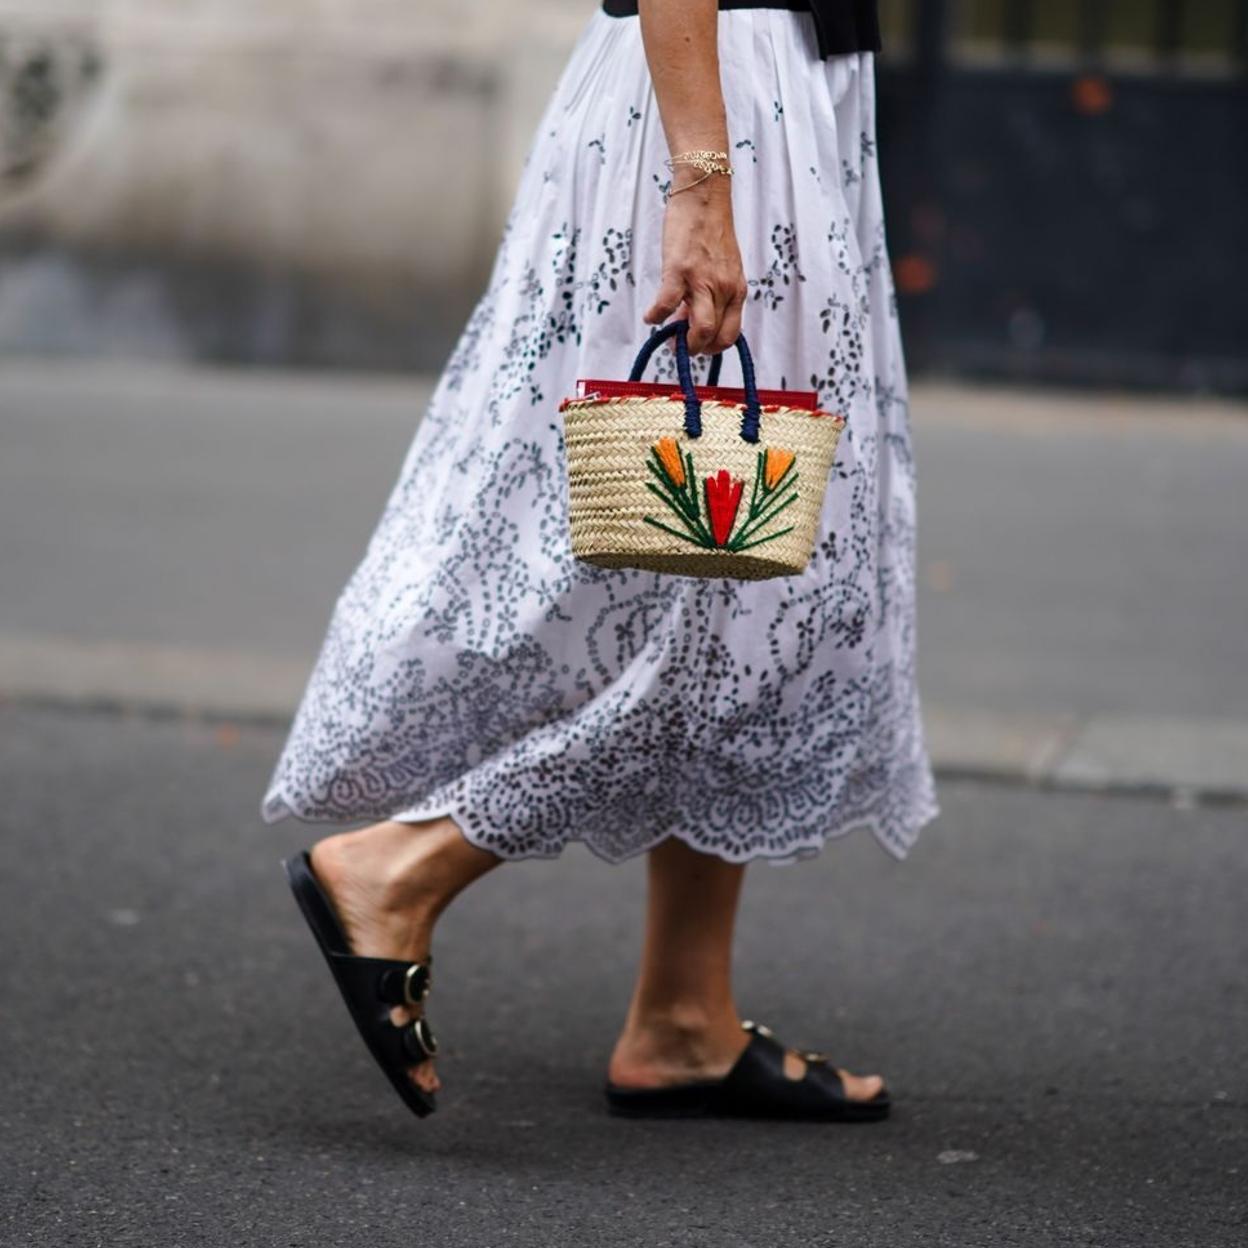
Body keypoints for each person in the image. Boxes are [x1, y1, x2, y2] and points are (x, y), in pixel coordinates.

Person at [263, 0, 938, 1122]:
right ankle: (402, 868)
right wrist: (705, 185)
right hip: (723, 112)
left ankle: (683, 1015)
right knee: (748, 606)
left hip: (771, 106)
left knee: (724, 587)